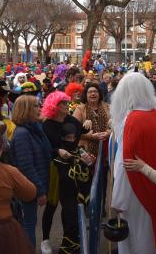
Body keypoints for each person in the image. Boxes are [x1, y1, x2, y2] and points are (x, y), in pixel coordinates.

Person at [111, 72, 156, 254]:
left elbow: (123, 161)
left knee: (134, 237)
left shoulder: (132, 119)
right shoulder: (154, 115)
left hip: (134, 187)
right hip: (153, 183)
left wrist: (118, 198)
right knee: (148, 232)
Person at [40, 90, 92, 254]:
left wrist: (87, 125)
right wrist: (57, 151)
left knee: (70, 205)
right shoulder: (47, 125)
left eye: (66, 102)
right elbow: (45, 148)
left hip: (72, 168)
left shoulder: (72, 120)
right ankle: (45, 239)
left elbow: (79, 134)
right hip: (55, 168)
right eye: (62, 103)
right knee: (51, 205)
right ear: (54, 106)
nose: (66, 105)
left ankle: (70, 240)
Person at [11, 95, 52, 247]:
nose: (39, 108)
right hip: (29, 187)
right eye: (35, 106)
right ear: (26, 110)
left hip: (34, 185)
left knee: (29, 223)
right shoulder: (22, 134)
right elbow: (26, 165)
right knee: (28, 224)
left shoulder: (34, 129)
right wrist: (40, 191)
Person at [73, 82, 110, 158]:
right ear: (86, 95)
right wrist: (91, 136)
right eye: (90, 92)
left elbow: (116, 126)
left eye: (95, 91)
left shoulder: (107, 106)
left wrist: (108, 133)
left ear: (99, 94)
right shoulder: (80, 109)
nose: (93, 94)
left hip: (106, 148)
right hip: (87, 151)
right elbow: (74, 130)